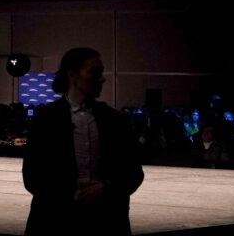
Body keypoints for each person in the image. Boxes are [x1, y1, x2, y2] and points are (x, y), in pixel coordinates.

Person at [22, 47, 144, 235]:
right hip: (55, 222)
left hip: (106, 222)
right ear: (72, 76)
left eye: (101, 72)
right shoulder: (45, 119)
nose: (102, 78)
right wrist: (67, 194)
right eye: (94, 72)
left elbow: (134, 172)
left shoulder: (115, 120)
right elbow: (32, 177)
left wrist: (106, 189)